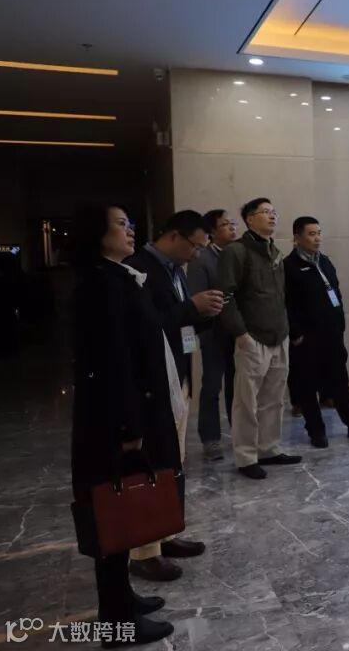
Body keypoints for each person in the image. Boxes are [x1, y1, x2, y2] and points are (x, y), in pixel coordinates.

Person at [69, 203, 175, 647]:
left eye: (131, 223)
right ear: (97, 233)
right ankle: (116, 622)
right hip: (113, 420)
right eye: (120, 224)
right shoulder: (101, 284)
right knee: (112, 511)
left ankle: (123, 598)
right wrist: (129, 428)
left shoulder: (117, 277)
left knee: (122, 513)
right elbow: (114, 361)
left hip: (127, 413)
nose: (130, 230)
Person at [125, 211, 222, 582]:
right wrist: (191, 307)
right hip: (153, 381)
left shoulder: (174, 269)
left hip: (176, 375)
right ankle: (143, 552)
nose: (196, 255)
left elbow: (179, 320)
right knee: (152, 463)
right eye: (194, 246)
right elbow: (146, 326)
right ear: (174, 236)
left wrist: (205, 312)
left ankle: (165, 534)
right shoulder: (139, 269)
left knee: (172, 460)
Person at [217, 198, 302, 480]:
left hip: (279, 335)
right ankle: (246, 457)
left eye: (274, 212)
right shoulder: (236, 251)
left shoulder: (274, 251)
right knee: (246, 401)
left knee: (274, 398)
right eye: (265, 212)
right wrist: (240, 333)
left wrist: (287, 329)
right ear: (250, 219)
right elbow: (225, 295)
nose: (272, 216)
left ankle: (269, 448)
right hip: (251, 337)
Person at [284, 216, 349, 447]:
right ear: (297, 238)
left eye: (319, 233)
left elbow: (335, 293)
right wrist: (296, 333)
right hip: (307, 338)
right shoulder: (289, 266)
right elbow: (287, 304)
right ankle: (316, 430)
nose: (317, 238)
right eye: (311, 234)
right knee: (308, 385)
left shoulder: (325, 261)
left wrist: (340, 324)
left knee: (340, 381)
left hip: (331, 334)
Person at [187, 209, 239, 461]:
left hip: (238, 331)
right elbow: (197, 299)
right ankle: (211, 439)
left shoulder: (238, 253)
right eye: (226, 224)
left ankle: (240, 433)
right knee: (212, 385)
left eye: (233, 223)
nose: (232, 227)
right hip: (214, 332)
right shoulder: (202, 259)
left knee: (237, 386)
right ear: (212, 231)